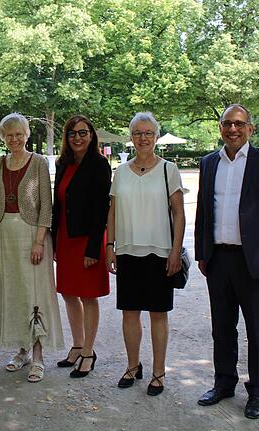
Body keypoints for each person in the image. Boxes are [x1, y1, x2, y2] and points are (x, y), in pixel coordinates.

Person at [195, 104, 259, 419]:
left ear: (250, 128)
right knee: (222, 328)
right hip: (218, 259)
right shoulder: (209, 163)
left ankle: (258, 392)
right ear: (221, 128)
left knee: (256, 328)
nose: (232, 129)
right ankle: (224, 383)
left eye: (239, 124)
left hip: (255, 262)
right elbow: (203, 211)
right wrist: (201, 253)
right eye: (227, 124)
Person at [105, 112, 187, 395]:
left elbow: (179, 213)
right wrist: (109, 247)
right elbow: (112, 212)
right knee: (129, 312)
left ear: (156, 137)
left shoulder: (168, 170)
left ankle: (159, 372)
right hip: (127, 251)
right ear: (131, 137)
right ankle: (132, 365)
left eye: (148, 133)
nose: (143, 138)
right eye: (138, 133)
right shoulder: (121, 171)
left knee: (158, 314)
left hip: (160, 252)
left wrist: (175, 251)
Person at [0, 113, 64, 383]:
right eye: (9, 135)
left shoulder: (39, 163)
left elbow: (47, 204)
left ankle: (38, 355)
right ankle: (21, 350)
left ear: (26, 134)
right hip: (4, 234)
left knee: (35, 293)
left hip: (32, 233)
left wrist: (39, 240)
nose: (14, 139)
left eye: (19, 133)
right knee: (14, 292)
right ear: (3, 138)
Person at [51, 115, 111, 378]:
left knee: (88, 295)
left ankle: (88, 351)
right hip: (65, 237)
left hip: (87, 240)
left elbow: (102, 210)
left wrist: (93, 249)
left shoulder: (99, 164)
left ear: (91, 135)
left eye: (83, 133)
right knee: (68, 293)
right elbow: (58, 206)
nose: (77, 138)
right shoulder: (63, 163)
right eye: (72, 133)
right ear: (66, 137)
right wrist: (53, 241)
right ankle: (76, 344)